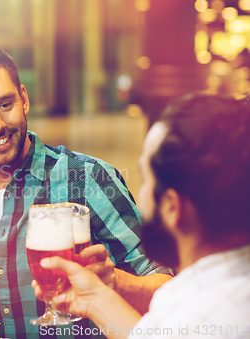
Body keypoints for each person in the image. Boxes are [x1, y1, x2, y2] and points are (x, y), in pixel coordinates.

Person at [0, 44, 172, 339]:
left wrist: (114, 281)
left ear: (24, 99)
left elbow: (169, 289)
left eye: (5, 105)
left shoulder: (88, 178)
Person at [33, 93, 250, 338]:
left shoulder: (198, 320)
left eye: (145, 179)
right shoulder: (212, 289)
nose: (141, 191)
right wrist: (94, 299)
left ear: (171, 206)